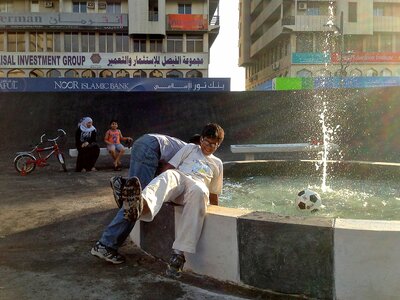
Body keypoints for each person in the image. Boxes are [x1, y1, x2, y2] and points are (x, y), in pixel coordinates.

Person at [91, 124, 224, 279]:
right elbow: (168, 167)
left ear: (219, 144)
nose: (209, 146)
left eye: (214, 144)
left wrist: (217, 212)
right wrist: (161, 186)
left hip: (195, 187)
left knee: (200, 191)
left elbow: (214, 193)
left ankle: (178, 254)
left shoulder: (217, 163)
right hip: (179, 177)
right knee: (169, 175)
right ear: (201, 140)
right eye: (207, 142)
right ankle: (141, 203)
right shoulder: (189, 148)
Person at [91, 133, 197, 263]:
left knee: (135, 194)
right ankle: (105, 245)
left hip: (144, 142)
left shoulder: (179, 144)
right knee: (136, 203)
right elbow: (167, 172)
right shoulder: (191, 152)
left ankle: (123, 184)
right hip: (151, 149)